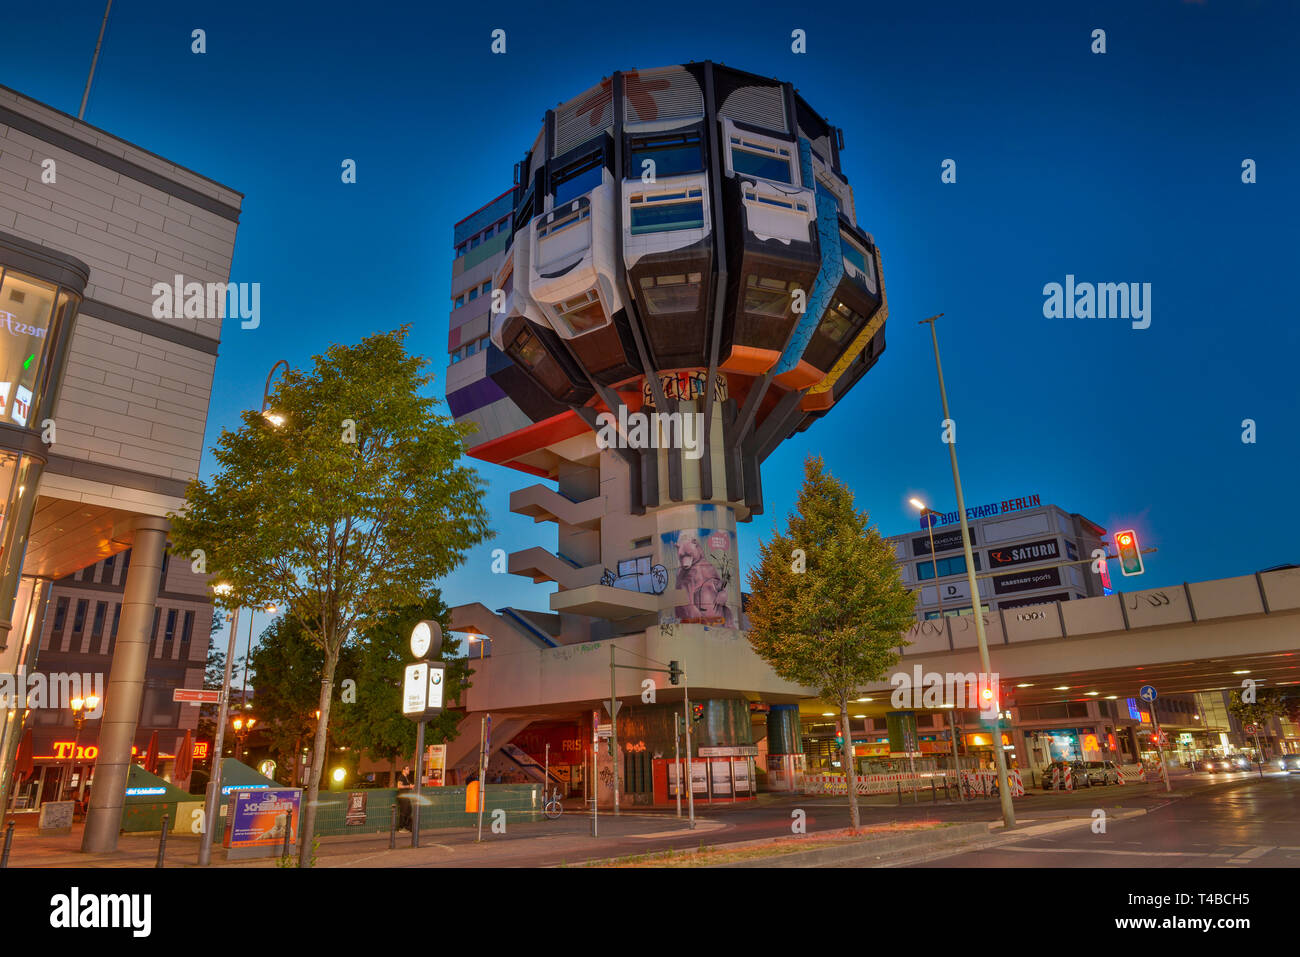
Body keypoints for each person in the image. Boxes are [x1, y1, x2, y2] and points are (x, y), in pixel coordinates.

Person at [396, 765, 414, 831]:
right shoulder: (401, 777)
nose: (408, 770)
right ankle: (401, 827)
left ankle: (407, 827)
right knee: (403, 812)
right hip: (402, 796)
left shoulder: (406, 778)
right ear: (403, 770)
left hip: (406, 796)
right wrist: (408, 786)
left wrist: (411, 786)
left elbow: (407, 786)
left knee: (409, 810)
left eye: (408, 769)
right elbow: (399, 786)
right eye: (407, 769)